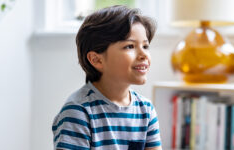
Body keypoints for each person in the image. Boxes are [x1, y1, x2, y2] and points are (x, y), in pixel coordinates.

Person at [51, 5, 162, 150]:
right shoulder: (78, 111)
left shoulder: (146, 110)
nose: (144, 55)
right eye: (130, 46)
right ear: (96, 60)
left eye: (145, 46)